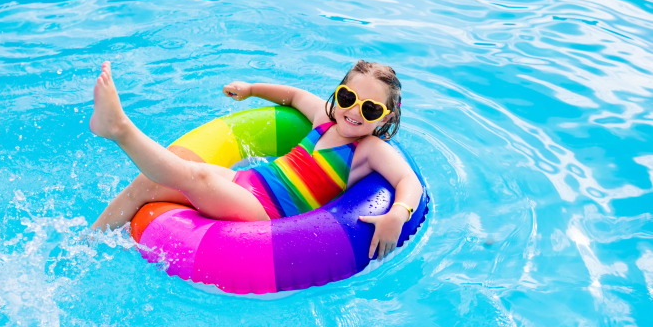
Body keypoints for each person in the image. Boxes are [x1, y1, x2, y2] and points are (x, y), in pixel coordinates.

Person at [90, 59, 423, 260]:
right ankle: (89, 239)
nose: (353, 112)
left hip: (265, 213)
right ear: (337, 94)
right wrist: (250, 89)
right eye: (348, 98)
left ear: (385, 117)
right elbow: (292, 95)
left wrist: (398, 213)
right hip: (244, 183)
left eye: (369, 109)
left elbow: (407, 181)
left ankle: (119, 128)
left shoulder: (368, 150)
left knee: (196, 178)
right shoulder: (325, 118)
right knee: (148, 182)